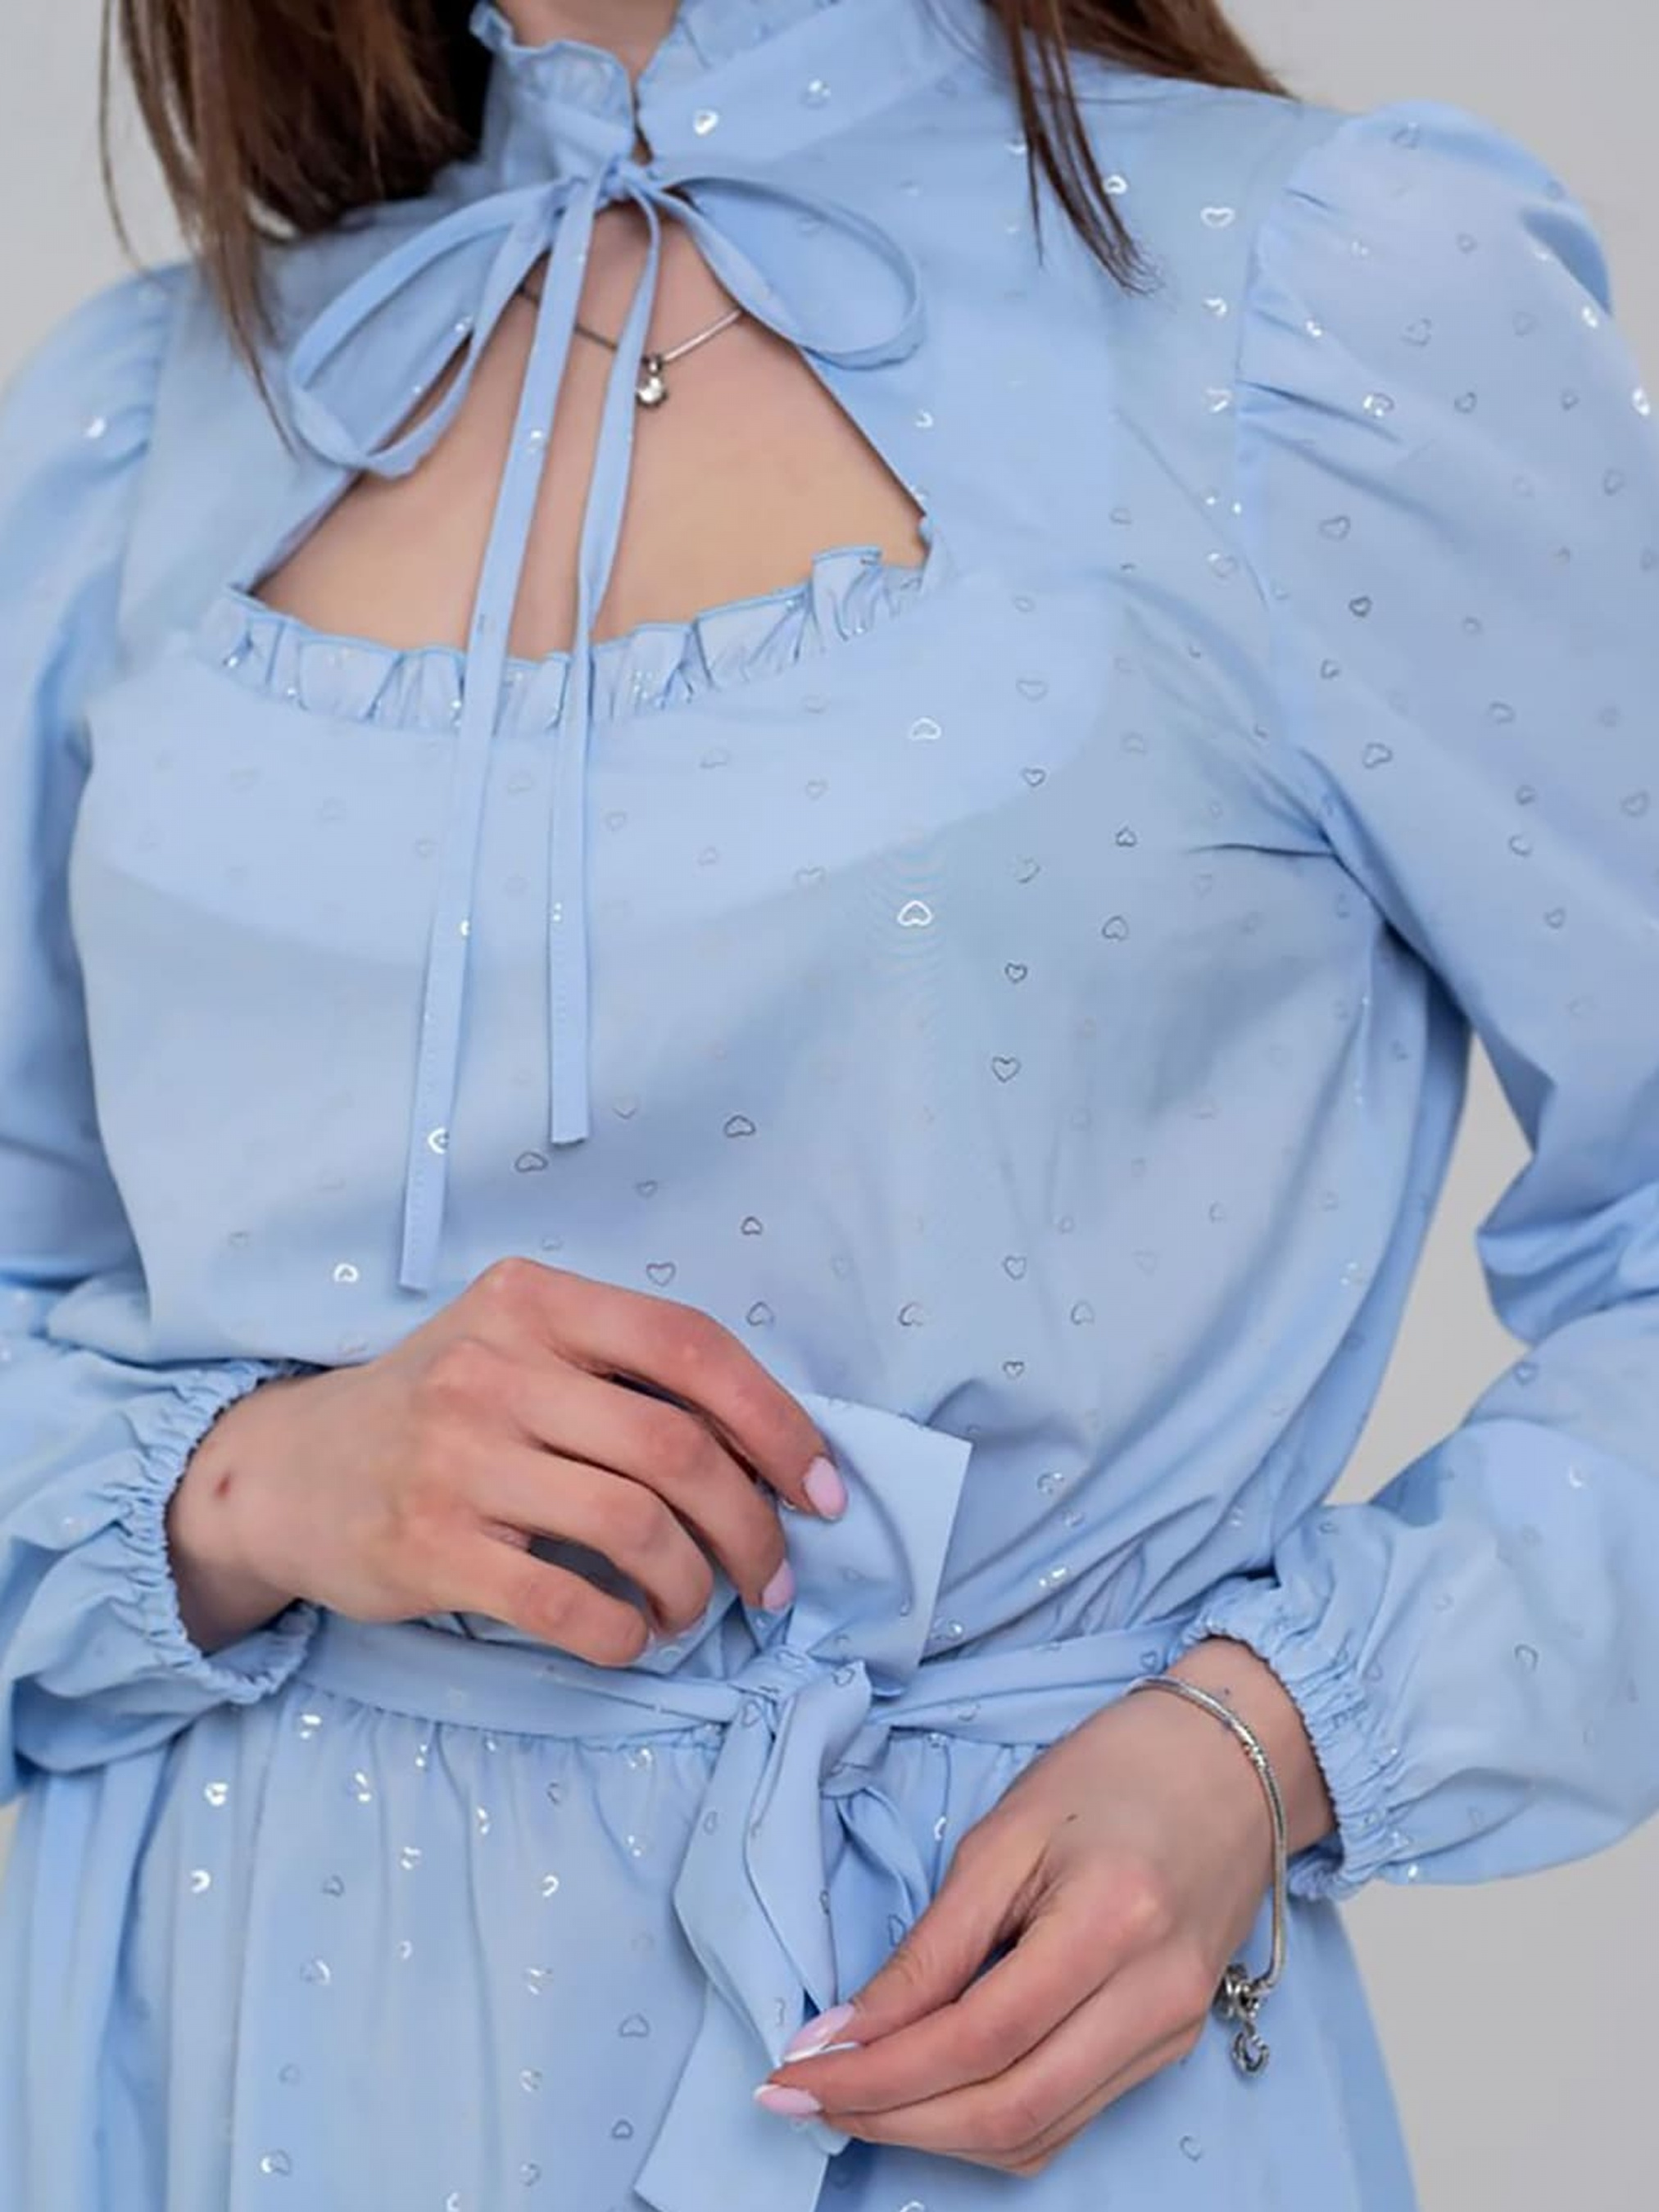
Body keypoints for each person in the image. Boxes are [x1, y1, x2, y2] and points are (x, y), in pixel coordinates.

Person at [0, 0, 1656, 2203]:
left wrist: (1274, 1734)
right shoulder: (150, 416)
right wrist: (234, 1489)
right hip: (198, 2058)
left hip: (970, 2058)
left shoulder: (1324, 305)